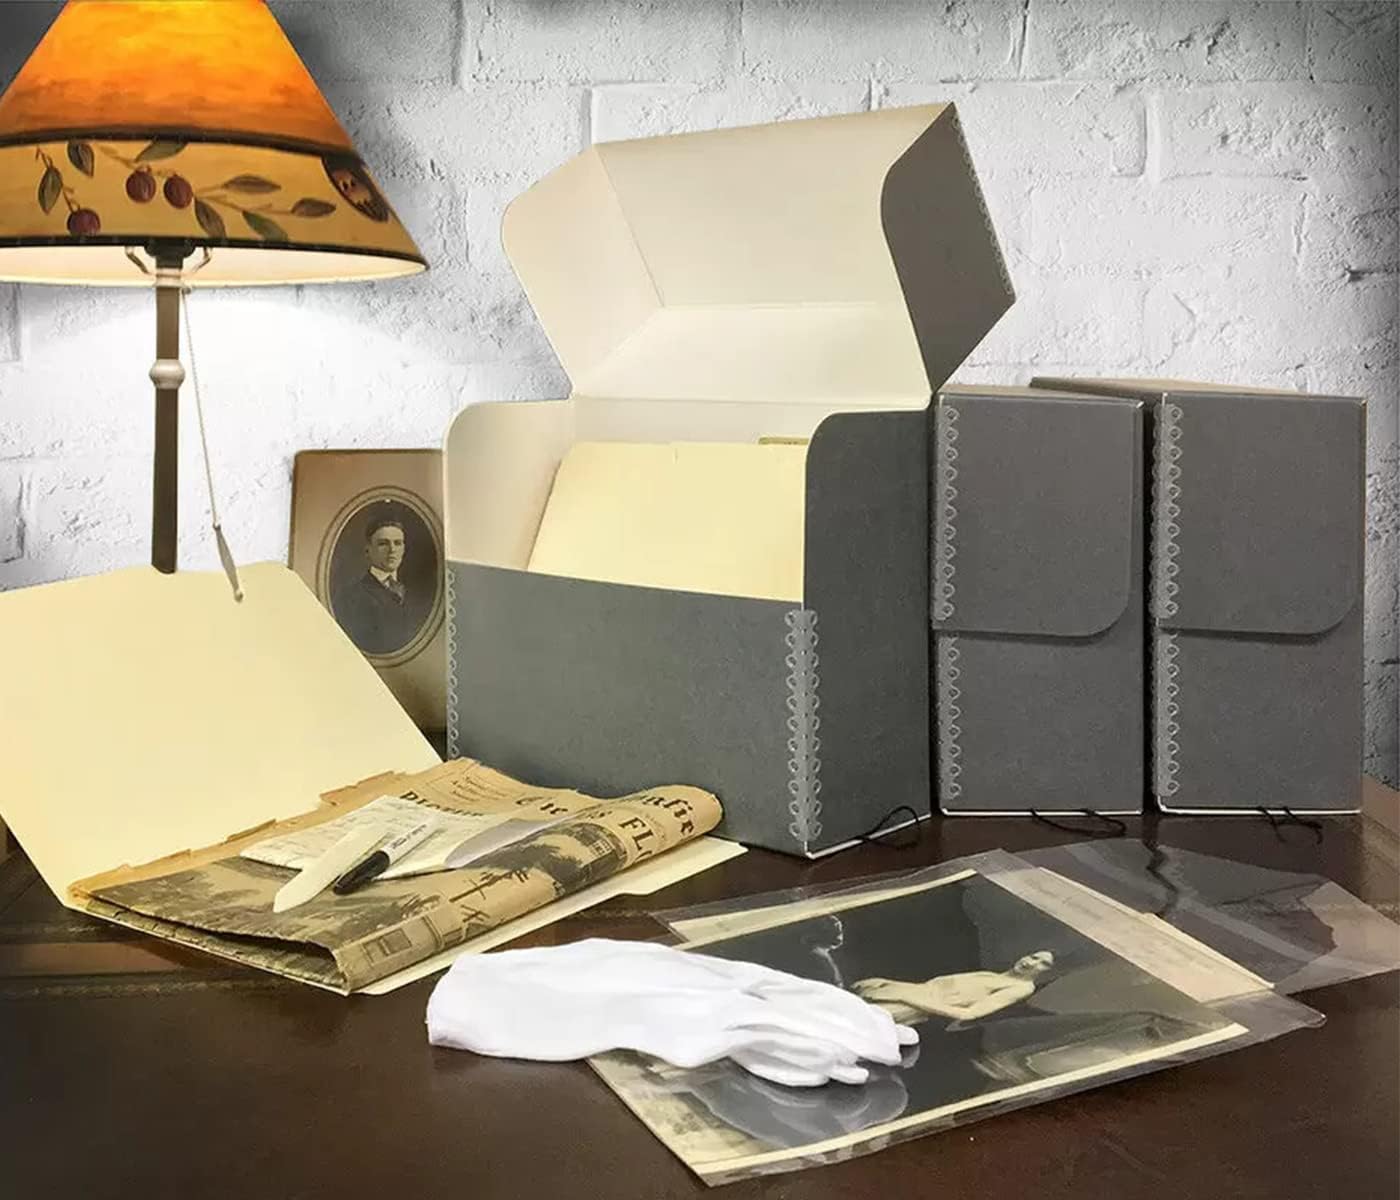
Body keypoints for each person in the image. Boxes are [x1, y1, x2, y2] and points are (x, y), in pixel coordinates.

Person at [853, 951, 1055, 1025]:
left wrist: (903, 997)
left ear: (1047, 972)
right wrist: (890, 983)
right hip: (904, 995)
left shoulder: (1021, 988)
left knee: (850, 1021)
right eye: (1034, 956)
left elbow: (968, 1014)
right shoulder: (990, 975)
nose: (1031, 963)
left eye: (1043, 964)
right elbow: (927, 987)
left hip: (908, 1007)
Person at [333, 511, 427, 656]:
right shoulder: (350, 598)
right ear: (368, 550)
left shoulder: (417, 593)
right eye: (383, 544)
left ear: (404, 548)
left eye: (398, 543)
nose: (392, 550)